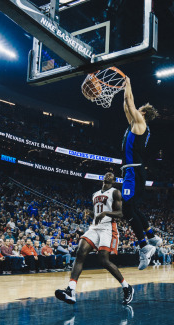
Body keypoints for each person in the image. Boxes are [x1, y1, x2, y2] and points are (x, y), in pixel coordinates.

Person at [55, 172, 134, 305]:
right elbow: (96, 215)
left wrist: (105, 213)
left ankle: (127, 287)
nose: (108, 174)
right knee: (80, 253)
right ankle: (71, 291)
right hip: (94, 227)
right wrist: (90, 213)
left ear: (113, 181)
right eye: (107, 173)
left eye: (111, 175)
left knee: (103, 260)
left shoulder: (115, 192)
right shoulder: (95, 194)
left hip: (108, 228)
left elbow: (120, 213)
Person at [121, 77, 162, 270]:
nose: (135, 111)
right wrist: (124, 88)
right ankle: (151, 236)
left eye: (139, 109)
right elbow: (126, 104)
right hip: (133, 170)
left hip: (134, 170)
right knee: (132, 208)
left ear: (143, 113)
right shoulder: (134, 123)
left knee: (127, 210)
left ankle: (145, 246)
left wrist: (128, 82)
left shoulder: (141, 124)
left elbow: (130, 103)